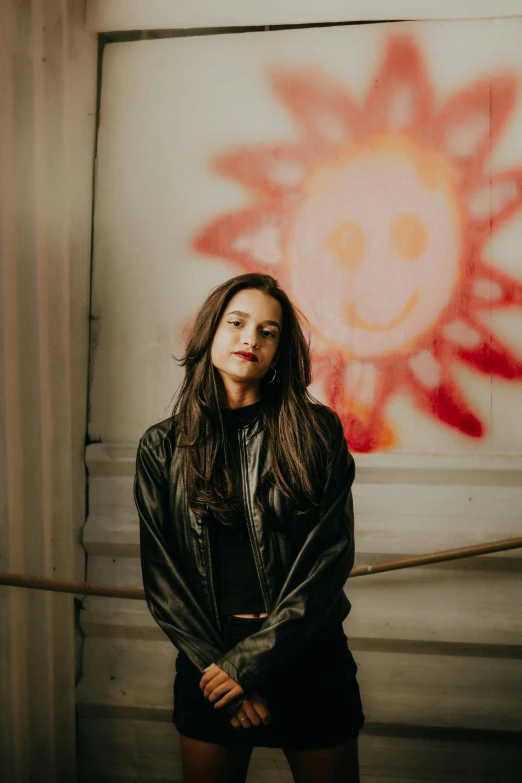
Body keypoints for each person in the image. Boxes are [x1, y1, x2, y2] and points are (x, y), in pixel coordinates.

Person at [134, 273, 364, 783]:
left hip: (308, 654)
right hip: (209, 658)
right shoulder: (162, 447)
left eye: (268, 331)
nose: (250, 339)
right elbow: (163, 579)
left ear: (280, 350)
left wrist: (248, 667)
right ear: (210, 331)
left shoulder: (317, 432)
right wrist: (225, 669)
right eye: (237, 323)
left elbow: (329, 560)